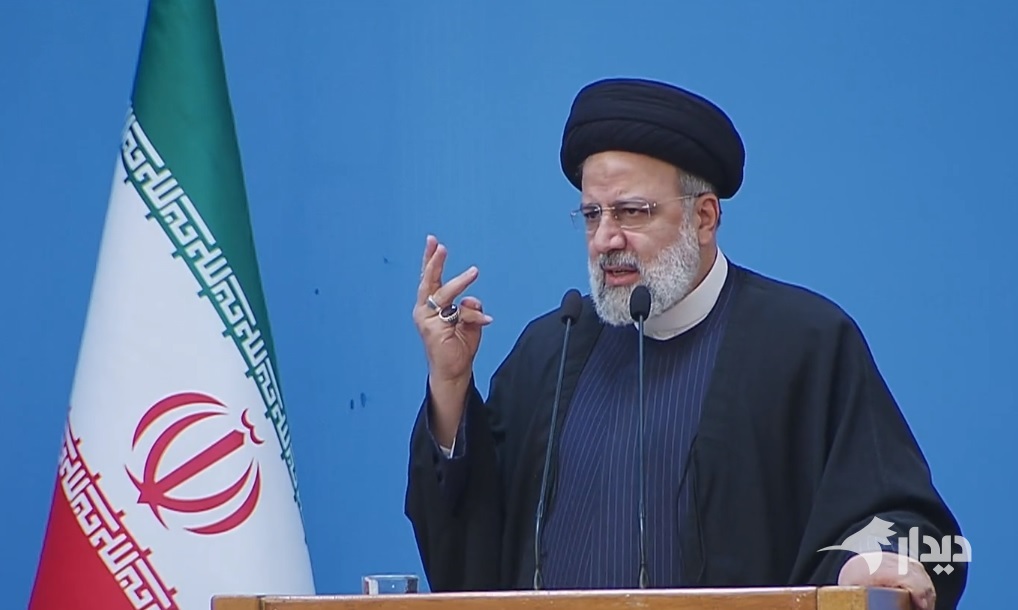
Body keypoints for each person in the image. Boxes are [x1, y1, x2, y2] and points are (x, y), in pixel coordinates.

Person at [403, 77, 966, 610]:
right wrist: (450, 385)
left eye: (632, 211)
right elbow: (474, 543)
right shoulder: (552, 349)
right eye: (592, 215)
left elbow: (915, 526)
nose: (605, 239)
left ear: (704, 217)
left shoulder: (803, 343)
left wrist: (872, 565)